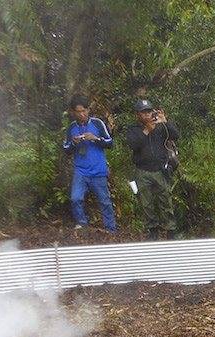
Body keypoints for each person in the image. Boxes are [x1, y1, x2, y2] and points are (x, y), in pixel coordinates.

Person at [125, 98, 179, 241]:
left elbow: (175, 136)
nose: (147, 115)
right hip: (142, 171)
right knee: (146, 203)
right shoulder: (133, 129)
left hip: (160, 170)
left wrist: (165, 121)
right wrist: (146, 130)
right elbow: (133, 145)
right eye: (143, 113)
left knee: (166, 201)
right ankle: (153, 231)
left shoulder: (160, 126)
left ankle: (170, 231)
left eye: (149, 112)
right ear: (137, 114)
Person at [62, 94, 116, 233]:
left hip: (98, 171)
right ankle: (82, 226)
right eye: (78, 112)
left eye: (84, 111)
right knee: (75, 199)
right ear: (74, 112)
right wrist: (74, 143)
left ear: (88, 110)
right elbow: (66, 149)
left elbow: (110, 143)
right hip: (81, 171)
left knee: (104, 202)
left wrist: (96, 139)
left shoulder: (97, 123)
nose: (82, 114)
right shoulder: (71, 128)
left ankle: (111, 230)